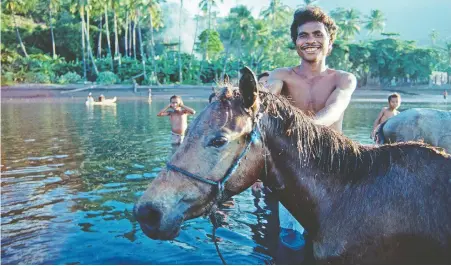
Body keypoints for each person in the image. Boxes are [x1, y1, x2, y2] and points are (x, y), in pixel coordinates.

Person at [263, 6, 357, 264]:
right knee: (291, 238)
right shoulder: (282, 75)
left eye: (318, 34)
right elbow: (269, 97)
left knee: (336, 239)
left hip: (334, 167)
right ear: (295, 42)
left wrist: (309, 127)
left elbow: (334, 108)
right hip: (295, 168)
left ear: (330, 41)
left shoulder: (344, 78)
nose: (310, 40)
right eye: (303, 35)